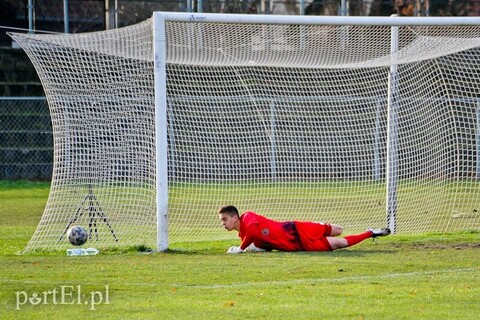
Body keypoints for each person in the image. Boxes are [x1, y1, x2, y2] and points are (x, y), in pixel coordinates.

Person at [218, 205, 391, 254]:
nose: (223, 223)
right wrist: (252, 248)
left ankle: (319, 223)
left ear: (235, 217)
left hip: (296, 229)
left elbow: (254, 233)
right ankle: (371, 233)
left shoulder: (248, 217)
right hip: (297, 245)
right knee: (340, 243)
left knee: (338, 229)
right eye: (221, 221)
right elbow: (266, 244)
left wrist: (241, 249)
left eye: (225, 219)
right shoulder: (244, 236)